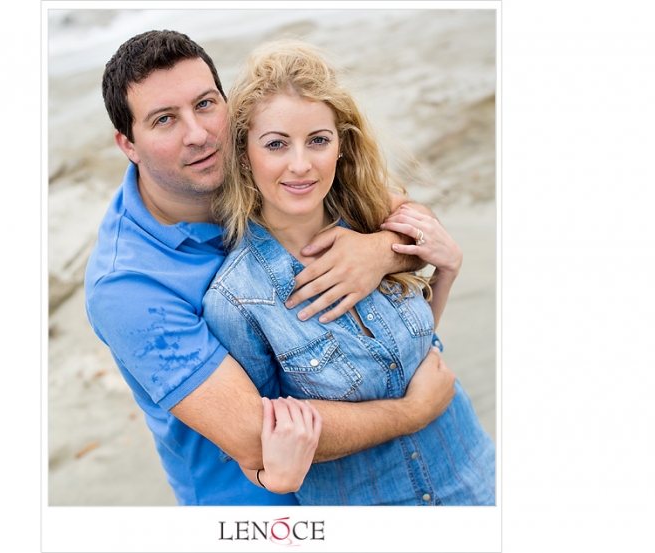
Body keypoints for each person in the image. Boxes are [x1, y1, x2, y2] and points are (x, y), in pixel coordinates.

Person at [84, 29, 458, 506]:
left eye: (205, 104)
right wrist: (414, 412)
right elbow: (254, 434)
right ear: (129, 144)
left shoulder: (253, 168)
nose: (197, 134)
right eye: (164, 120)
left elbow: (405, 215)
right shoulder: (126, 286)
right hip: (255, 508)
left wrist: (380, 252)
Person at [203, 38, 495, 505]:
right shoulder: (237, 299)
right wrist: (412, 412)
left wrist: (445, 273)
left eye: (318, 140)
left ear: (340, 145)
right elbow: (260, 446)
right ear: (243, 155)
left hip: (473, 473)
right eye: (276, 144)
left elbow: (415, 355)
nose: (301, 165)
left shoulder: (371, 217)